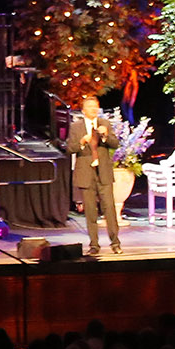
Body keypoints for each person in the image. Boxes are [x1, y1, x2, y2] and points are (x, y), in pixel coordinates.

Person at [67, 92, 122, 254]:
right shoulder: (76, 127)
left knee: (109, 209)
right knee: (91, 211)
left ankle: (115, 243)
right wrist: (82, 142)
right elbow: (70, 149)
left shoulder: (104, 123)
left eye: (95, 106)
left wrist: (105, 135)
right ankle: (94, 245)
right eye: (90, 107)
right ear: (83, 110)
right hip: (86, 173)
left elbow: (115, 144)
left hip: (103, 172)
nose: (93, 109)